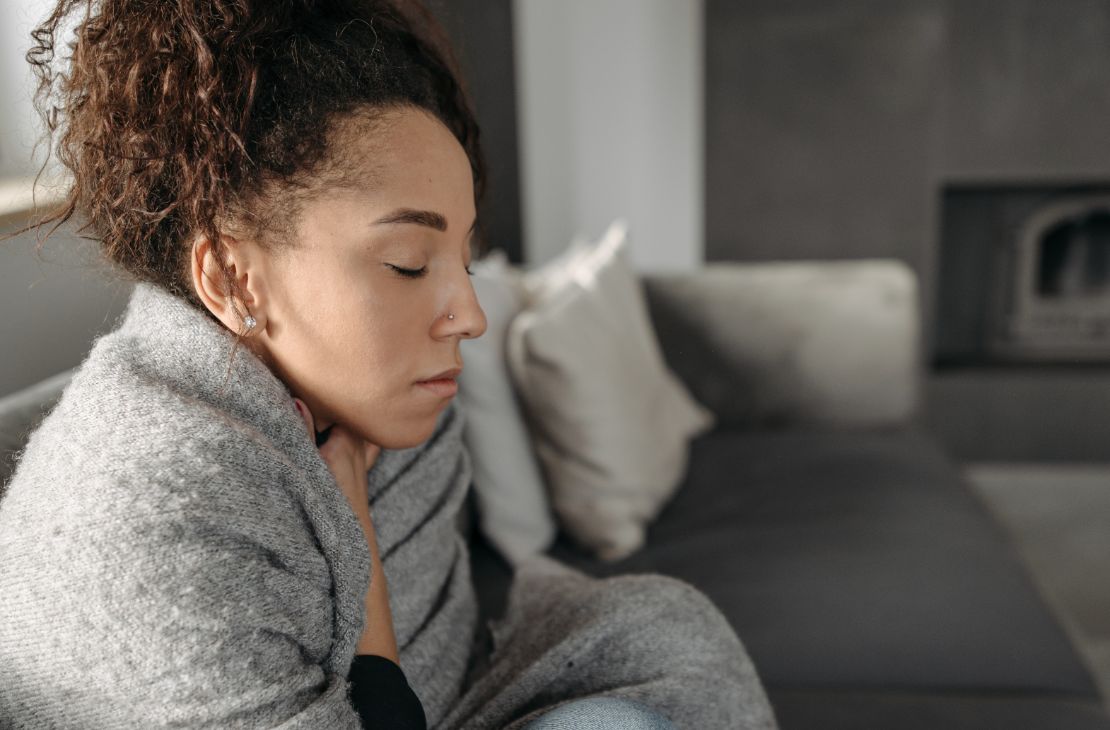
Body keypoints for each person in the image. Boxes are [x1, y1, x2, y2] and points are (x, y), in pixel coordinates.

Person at [0, 1, 776, 728]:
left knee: (663, 632)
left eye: (463, 259)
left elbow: (438, 667)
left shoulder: (373, 408)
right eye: (408, 263)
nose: (470, 316)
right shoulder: (155, 530)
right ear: (231, 277)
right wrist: (357, 534)